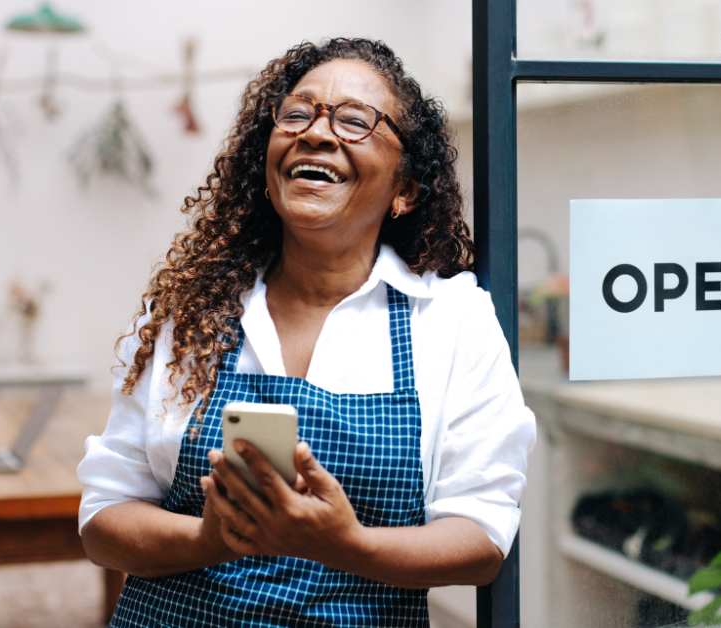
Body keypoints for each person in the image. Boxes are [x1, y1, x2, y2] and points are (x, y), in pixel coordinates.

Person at [77, 38, 535, 628]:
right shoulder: (189, 314)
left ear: (405, 190)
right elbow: (104, 522)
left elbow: (482, 541)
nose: (317, 133)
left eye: (355, 121)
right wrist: (211, 539)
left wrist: (347, 545)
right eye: (296, 113)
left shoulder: (450, 320)